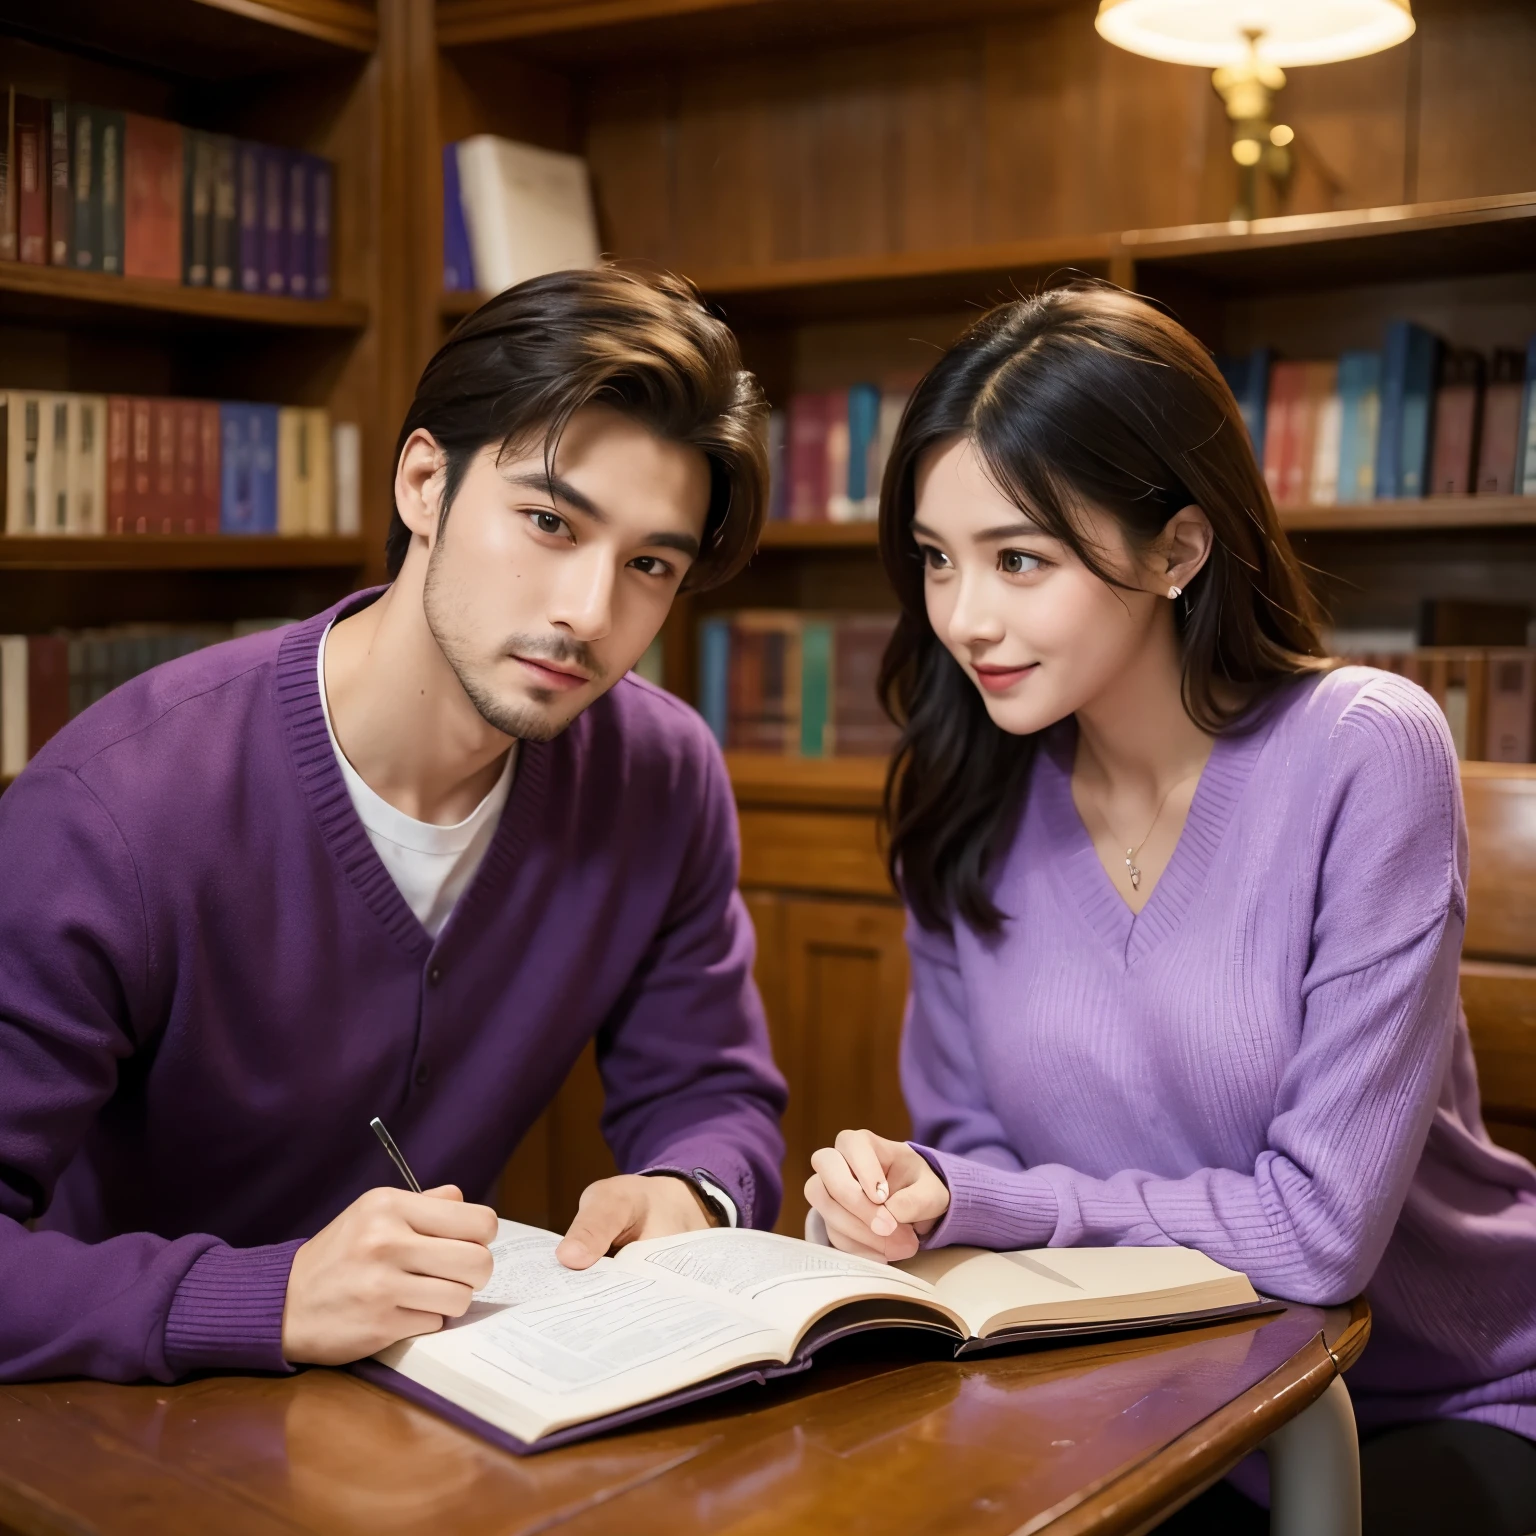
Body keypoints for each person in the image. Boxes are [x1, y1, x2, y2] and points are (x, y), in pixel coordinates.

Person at [804, 284, 1536, 1534]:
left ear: (1179, 550)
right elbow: (972, 1161)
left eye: (1019, 558)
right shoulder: (963, 796)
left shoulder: (1365, 753)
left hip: (1423, 1395)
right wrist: (900, 1208)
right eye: (937, 558)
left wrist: (977, 1199)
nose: (963, 617)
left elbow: (1318, 1240)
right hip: (1136, 1391)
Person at [0, 267, 787, 1383]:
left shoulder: (660, 775)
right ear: (425, 482)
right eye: (549, 521)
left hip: (444, 1401)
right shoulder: (115, 807)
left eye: (649, 564)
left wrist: (692, 1188)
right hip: (117, 1412)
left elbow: (709, 1087)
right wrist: (263, 1296)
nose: (591, 612)